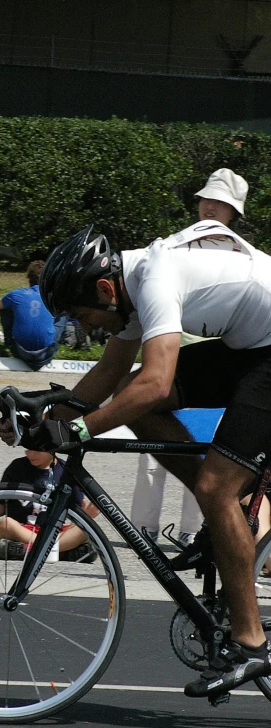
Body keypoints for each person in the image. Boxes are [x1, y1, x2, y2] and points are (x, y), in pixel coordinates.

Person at [0, 216, 271, 698]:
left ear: (105, 288)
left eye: (84, 316)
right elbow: (111, 373)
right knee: (132, 394)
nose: (88, 326)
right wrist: (43, 426)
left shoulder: (155, 279)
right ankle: (227, 522)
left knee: (214, 487)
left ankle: (250, 645)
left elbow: (157, 382)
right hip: (250, 347)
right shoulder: (126, 289)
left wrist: (76, 428)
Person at [130, 168, 249, 546]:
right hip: (173, 362)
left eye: (221, 203)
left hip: (218, 365)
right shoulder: (173, 248)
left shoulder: (242, 257)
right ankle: (142, 529)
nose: (210, 207)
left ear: (235, 214)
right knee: (151, 454)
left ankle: (193, 531)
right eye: (206, 199)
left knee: (210, 455)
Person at [0, 448, 98, 562]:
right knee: (5, 524)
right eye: (27, 449)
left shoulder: (66, 471)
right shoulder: (17, 467)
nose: (31, 454)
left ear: (53, 448)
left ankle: (27, 550)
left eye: (37, 450)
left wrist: (88, 515)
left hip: (54, 531)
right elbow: (4, 504)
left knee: (87, 530)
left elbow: (75, 509)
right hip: (23, 530)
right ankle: (62, 552)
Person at [0, 260, 67, 370]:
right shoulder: (53, 297)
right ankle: (62, 339)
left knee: (5, 309)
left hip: (19, 351)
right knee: (63, 312)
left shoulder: (16, 294)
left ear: (29, 278)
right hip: (46, 353)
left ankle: (9, 340)